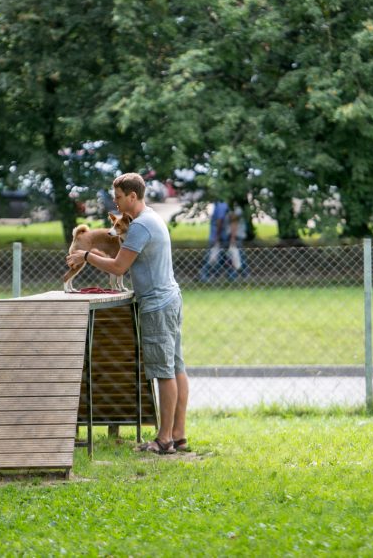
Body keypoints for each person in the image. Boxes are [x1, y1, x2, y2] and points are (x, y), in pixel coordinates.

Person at [66, 172, 188, 455]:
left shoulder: (140, 227)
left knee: (163, 372)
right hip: (169, 299)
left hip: (157, 305)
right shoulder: (151, 218)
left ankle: (164, 439)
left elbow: (119, 267)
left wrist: (86, 255)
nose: (116, 202)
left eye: (118, 197)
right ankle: (178, 435)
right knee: (176, 367)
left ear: (133, 196)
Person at [199, 200, 247, 282]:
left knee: (231, 257)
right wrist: (219, 237)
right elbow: (222, 221)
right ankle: (236, 276)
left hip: (227, 236)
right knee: (229, 257)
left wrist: (231, 238)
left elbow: (231, 222)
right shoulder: (225, 205)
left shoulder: (226, 205)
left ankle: (235, 276)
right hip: (225, 237)